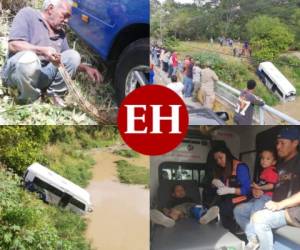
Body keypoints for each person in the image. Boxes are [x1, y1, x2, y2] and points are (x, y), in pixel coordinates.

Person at [1, 0, 102, 106]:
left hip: (41, 75)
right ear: (50, 9)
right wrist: (42, 51)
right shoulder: (28, 14)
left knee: (73, 55)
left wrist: (86, 68)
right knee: (29, 58)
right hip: (17, 74)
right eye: (65, 15)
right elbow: (13, 45)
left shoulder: (60, 34)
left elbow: (65, 61)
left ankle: (53, 95)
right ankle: (28, 99)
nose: (67, 21)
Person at [250, 127, 300, 250]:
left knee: (259, 218)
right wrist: (260, 190)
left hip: (294, 211)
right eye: (277, 143)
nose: (278, 146)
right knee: (242, 211)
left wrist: (280, 205)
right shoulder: (281, 165)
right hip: (278, 206)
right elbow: (274, 186)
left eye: (283, 143)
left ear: (295, 143)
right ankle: (253, 241)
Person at [234, 149, 278, 250]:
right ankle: (251, 235)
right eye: (262, 158)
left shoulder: (272, 170)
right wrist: (255, 188)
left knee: (254, 212)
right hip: (260, 198)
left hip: (268, 198)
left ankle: (253, 238)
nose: (263, 160)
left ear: (274, 162)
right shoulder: (263, 171)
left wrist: (259, 188)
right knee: (238, 210)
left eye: (267, 158)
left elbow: (271, 185)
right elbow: (260, 186)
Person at [211, 145, 252, 233]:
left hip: (243, 196)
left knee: (225, 207)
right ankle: (211, 216)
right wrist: (215, 183)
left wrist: (230, 190)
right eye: (216, 160)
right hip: (230, 196)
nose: (219, 161)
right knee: (215, 203)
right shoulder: (224, 169)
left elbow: (247, 190)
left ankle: (238, 229)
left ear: (227, 155)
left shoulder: (240, 167)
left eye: (220, 157)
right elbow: (223, 187)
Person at [150, 184, 219, 227]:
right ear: (173, 194)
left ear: (185, 192)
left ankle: (205, 217)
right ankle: (168, 220)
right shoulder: (172, 201)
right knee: (174, 211)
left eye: (182, 190)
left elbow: (196, 205)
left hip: (190, 211)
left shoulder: (189, 199)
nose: (181, 191)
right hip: (178, 212)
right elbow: (168, 208)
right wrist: (165, 210)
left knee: (196, 208)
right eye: (178, 190)